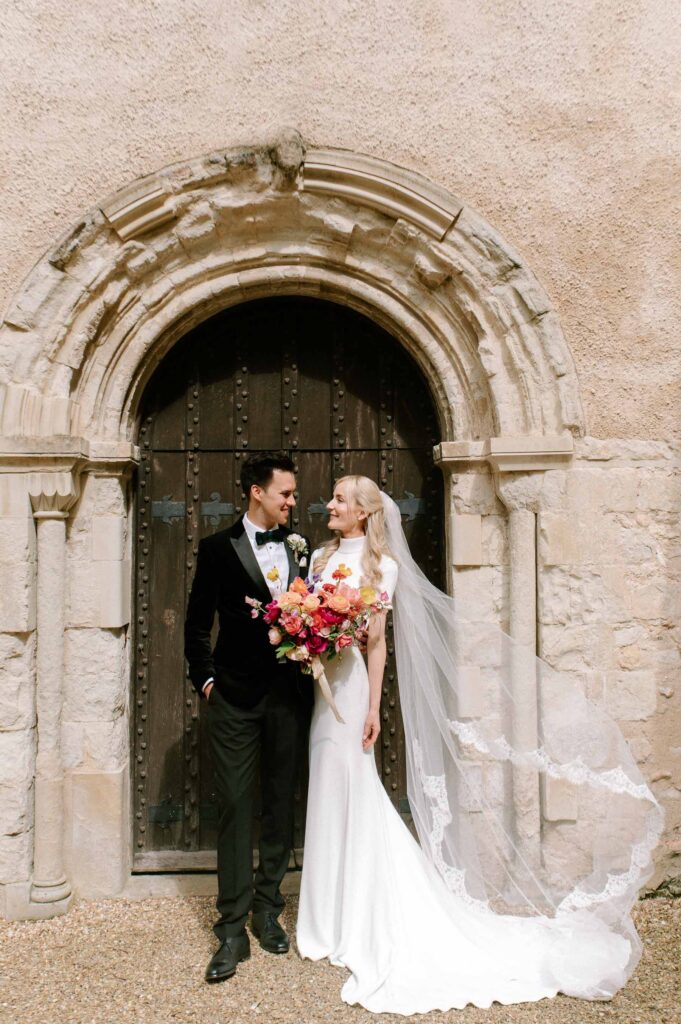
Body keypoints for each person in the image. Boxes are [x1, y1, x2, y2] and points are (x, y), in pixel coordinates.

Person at [296, 475, 662, 1014]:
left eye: (341, 499)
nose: (329, 503)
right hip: (320, 691)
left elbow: (375, 645)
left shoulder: (384, 569)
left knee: (354, 786)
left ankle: (358, 914)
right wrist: (304, 640)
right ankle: (323, 918)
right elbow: (310, 619)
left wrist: (373, 707)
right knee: (326, 786)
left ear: (365, 513)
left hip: (350, 694)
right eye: (331, 496)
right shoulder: (320, 561)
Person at [184, 451, 311, 983]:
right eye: (285, 493)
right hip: (233, 699)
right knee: (236, 805)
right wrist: (207, 681)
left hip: (289, 699)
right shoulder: (217, 549)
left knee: (279, 802)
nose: (292, 501)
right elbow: (195, 624)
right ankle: (231, 927)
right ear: (256, 492)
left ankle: (267, 909)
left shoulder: (302, 550)